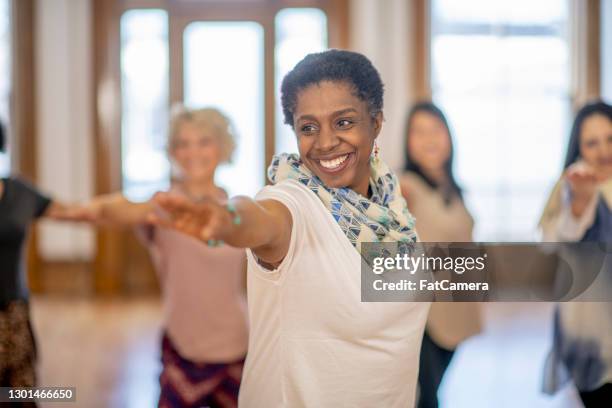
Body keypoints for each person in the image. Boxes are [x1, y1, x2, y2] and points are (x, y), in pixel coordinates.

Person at [149, 49, 430, 407]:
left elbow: (414, 282)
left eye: (343, 122)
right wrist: (226, 219)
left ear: (375, 122)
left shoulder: (392, 211)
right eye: (308, 127)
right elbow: (260, 219)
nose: (325, 142)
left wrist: (521, 271)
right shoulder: (294, 203)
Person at [83, 107, 248, 408]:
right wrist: (75, 210)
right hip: (183, 349)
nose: (192, 151)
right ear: (172, 151)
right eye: (182, 143)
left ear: (223, 147)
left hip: (237, 346)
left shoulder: (237, 209)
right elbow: (117, 211)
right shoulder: (160, 208)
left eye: (203, 141)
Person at [0, 120, 89, 405]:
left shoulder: (19, 193)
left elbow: (75, 212)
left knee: (20, 394)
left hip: (12, 313)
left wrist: (139, 210)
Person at [400, 102, 482, 408]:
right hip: (423, 317)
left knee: (433, 393)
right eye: (419, 132)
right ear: (408, 141)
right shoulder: (404, 187)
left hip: (454, 311)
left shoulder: (452, 187)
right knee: (427, 397)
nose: (429, 139)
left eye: (436, 130)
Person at [540, 101, 612, 407]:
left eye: (610, 139)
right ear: (578, 147)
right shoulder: (573, 184)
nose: (603, 151)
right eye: (591, 143)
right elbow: (557, 240)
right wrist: (580, 205)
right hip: (591, 338)